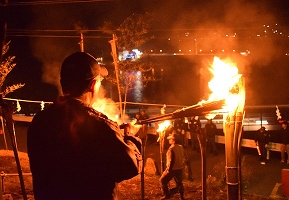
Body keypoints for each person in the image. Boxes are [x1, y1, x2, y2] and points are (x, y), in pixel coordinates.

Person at [27, 52, 142, 200]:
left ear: (62, 83)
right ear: (93, 85)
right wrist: (130, 137)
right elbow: (129, 167)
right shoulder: (100, 126)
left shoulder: (40, 121)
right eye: (100, 81)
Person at [159, 134, 186, 200]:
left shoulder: (171, 149)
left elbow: (172, 160)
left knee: (162, 180)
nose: (169, 140)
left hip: (172, 169)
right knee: (179, 183)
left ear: (174, 141)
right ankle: (182, 197)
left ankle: (167, 195)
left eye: (170, 139)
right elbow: (184, 157)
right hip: (180, 168)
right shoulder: (181, 147)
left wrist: (168, 170)